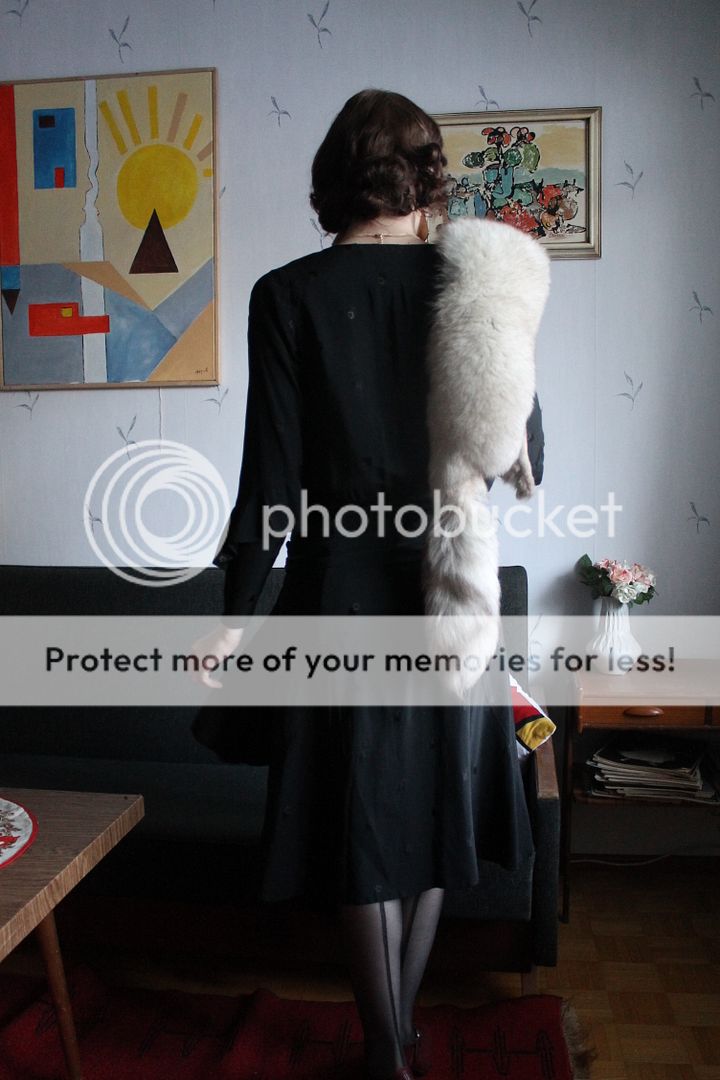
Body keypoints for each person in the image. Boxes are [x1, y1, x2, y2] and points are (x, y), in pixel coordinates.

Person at [191, 88, 548, 1080]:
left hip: (337, 593)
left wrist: (236, 619)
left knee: (359, 828)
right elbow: (526, 453)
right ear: (428, 178)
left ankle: (388, 1050)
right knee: (434, 810)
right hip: (454, 591)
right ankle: (402, 1039)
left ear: (332, 178)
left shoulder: (287, 294)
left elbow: (271, 483)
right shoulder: (479, 283)